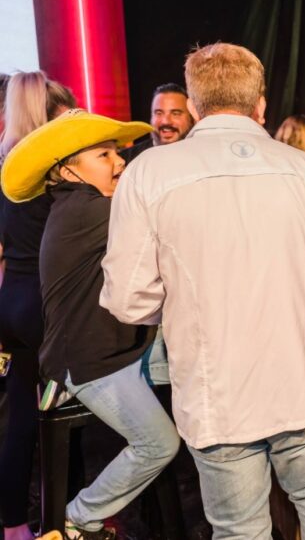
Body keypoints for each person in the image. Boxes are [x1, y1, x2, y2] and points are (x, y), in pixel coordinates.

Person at [100, 42, 305, 538]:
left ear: (195, 106)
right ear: (260, 104)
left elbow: (127, 300)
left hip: (215, 394)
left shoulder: (149, 175)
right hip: (299, 384)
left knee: (241, 528)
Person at [1, 109, 177, 540]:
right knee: (160, 443)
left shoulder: (85, 205)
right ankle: (77, 517)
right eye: (104, 154)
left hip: (120, 348)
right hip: (88, 361)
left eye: (117, 153)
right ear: (67, 170)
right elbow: (169, 216)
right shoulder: (88, 210)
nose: (119, 163)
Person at [0, 71, 77, 540]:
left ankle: (12, 524)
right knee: (67, 418)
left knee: (22, 419)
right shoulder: (54, 172)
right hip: (47, 304)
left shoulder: (6, 167)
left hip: (12, 303)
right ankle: (65, 519)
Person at [120, 83, 194, 162]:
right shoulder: (127, 160)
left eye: (175, 114)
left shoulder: (201, 155)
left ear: (191, 117)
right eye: (159, 113)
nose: (166, 121)